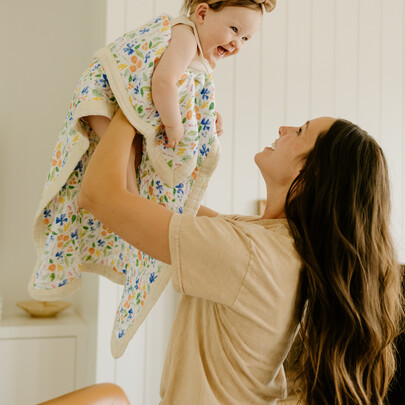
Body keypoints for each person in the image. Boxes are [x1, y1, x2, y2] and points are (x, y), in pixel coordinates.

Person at [78, 109, 403, 404]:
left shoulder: (249, 254)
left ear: (310, 175)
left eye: (301, 131)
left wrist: (130, 106)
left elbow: (98, 196)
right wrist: (193, 138)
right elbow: (151, 206)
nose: (283, 126)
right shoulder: (272, 241)